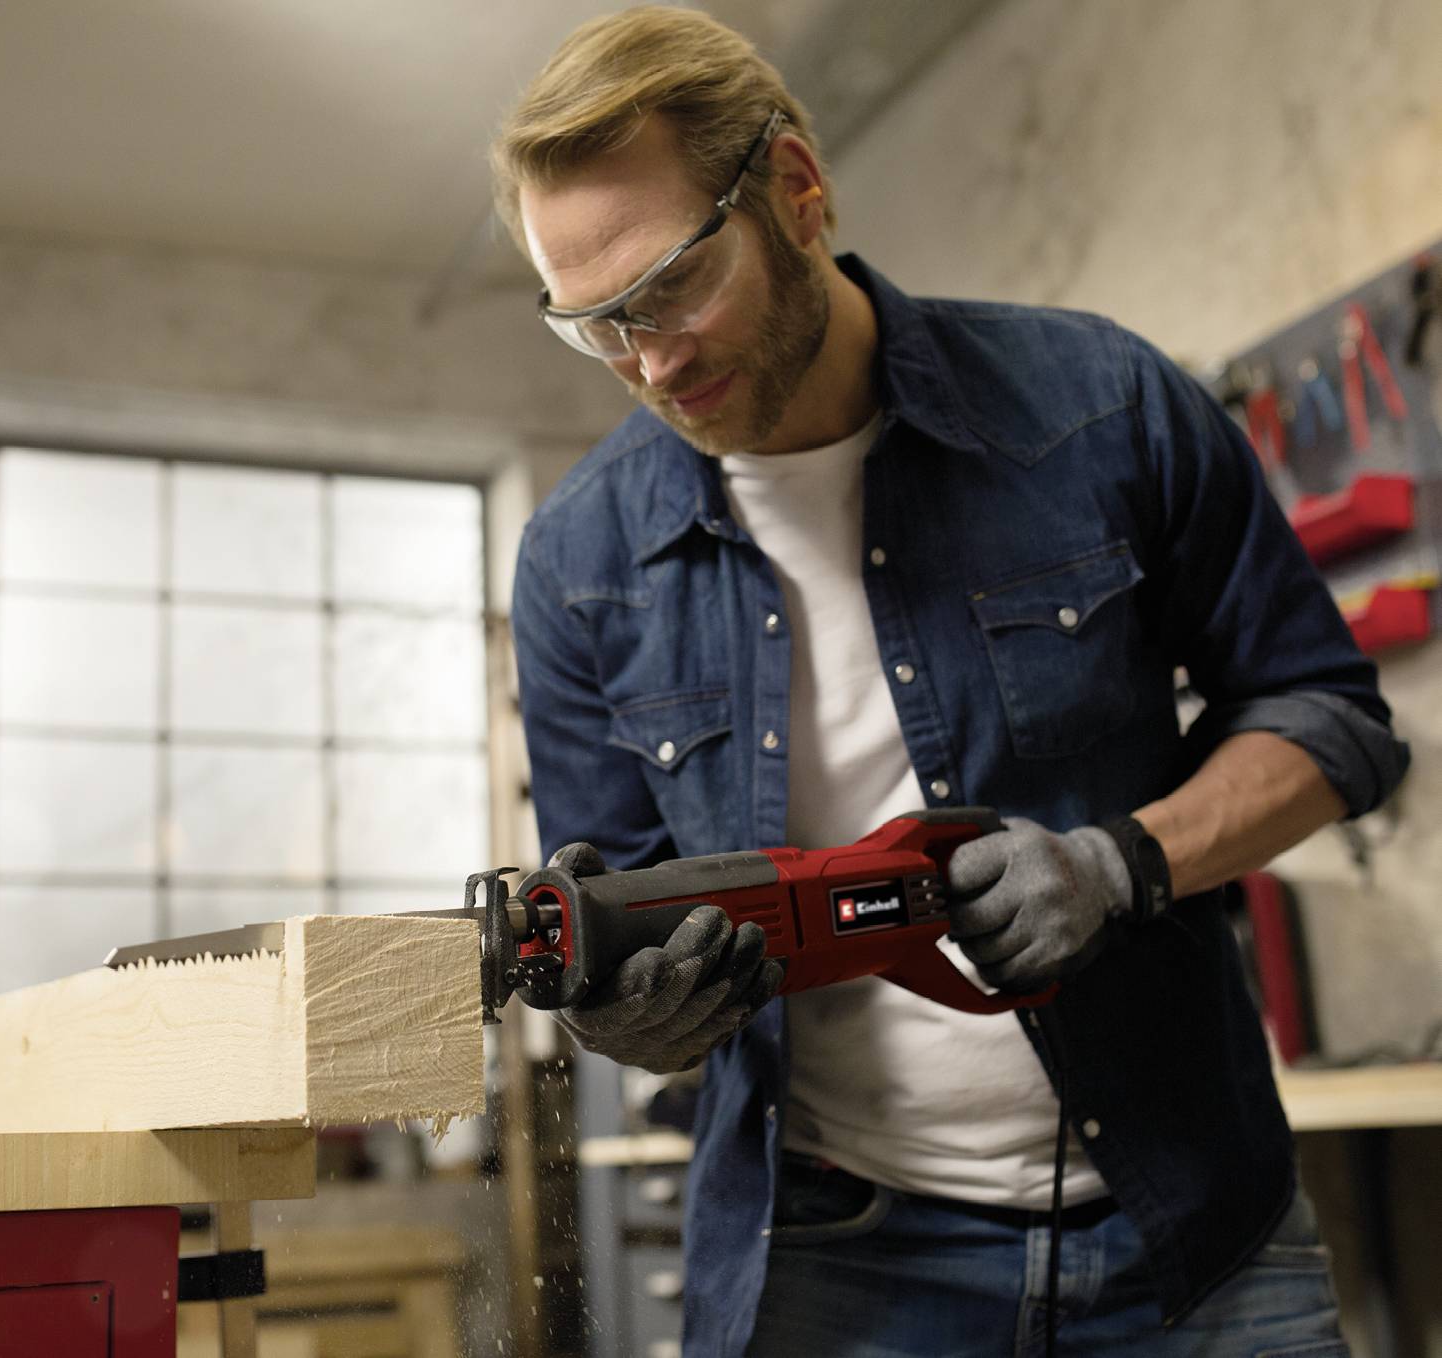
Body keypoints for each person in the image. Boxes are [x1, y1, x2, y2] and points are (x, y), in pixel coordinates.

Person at [492, 8, 1409, 1358]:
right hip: (835, 1259)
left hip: (1189, 1221)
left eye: (673, 285)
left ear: (798, 190)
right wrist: (639, 1019)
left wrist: (1122, 864)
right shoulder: (577, 561)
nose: (653, 362)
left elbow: (1330, 716)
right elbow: (623, 917)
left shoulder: (1102, 405)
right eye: (598, 327)